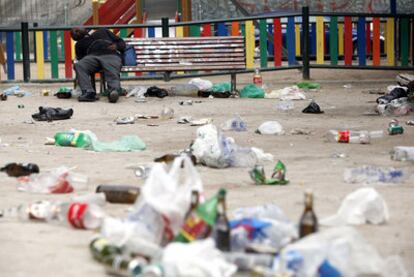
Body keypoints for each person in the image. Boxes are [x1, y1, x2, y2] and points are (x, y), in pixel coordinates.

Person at [71, 27, 126, 102]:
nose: (76, 31)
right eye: (73, 32)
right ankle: (88, 92)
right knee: (79, 65)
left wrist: (116, 46)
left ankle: (113, 91)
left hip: (110, 55)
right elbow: (81, 59)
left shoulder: (103, 31)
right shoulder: (79, 44)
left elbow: (122, 43)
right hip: (92, 57)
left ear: (86, 29)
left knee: (111, 69)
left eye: (76, 29)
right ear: (74, 38)